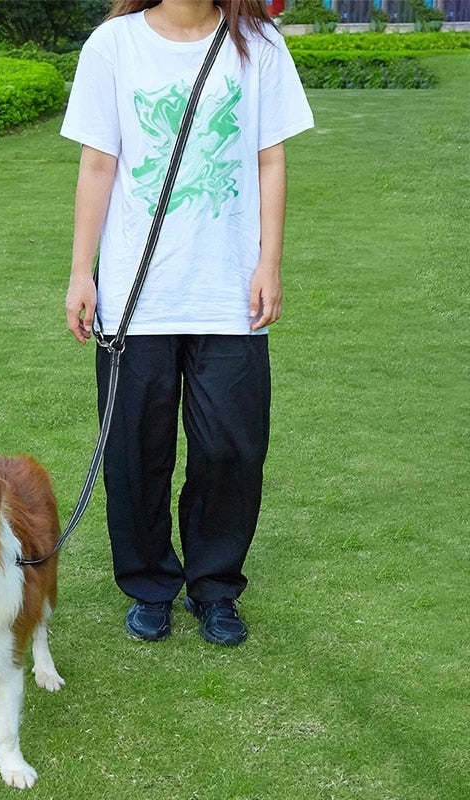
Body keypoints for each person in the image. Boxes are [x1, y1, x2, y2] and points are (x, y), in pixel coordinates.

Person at [61, 0, 314, 645]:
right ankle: (148, 584)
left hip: (228, 289)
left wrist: (269, 263)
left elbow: (270, 161)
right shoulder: (112, 46)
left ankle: (215, 587)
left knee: (233, 448)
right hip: (136, 291)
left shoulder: (259, 45)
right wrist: (81, 272)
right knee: (134, 450)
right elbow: (98, 164)